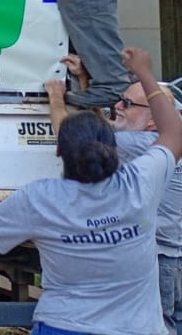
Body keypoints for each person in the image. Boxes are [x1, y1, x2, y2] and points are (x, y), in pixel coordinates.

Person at [0, 47, 181, 335]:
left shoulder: (39, 199)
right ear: (112, 148)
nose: (119, 107)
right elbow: (173, 133)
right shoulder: (140, 184)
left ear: (59, 148)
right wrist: (145, 73)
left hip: (63, 326)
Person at [54, 54, 182, 335]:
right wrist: (86, 82)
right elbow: (107, 130)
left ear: (152, 120)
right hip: (171, 257)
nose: (117, 106)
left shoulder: (141, 143)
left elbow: (76, 140)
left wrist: (55, 96)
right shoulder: (159, 142)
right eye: (120, 100)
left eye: (128, 104)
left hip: (158, 261)